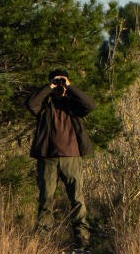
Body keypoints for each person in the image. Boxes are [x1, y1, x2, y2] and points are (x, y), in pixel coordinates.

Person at [27, 68, 95, 244]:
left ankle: (82, 237)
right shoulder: (44, 105)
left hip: (72, 157)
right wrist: (48, 87)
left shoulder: (73, 103)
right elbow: (31, 104)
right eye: (56, 82)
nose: (59, 86)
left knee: (77, 198)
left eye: (61, 82)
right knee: (46, 198)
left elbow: (90, 105)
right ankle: (43, 238)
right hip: (47, 157)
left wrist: (70, 87)